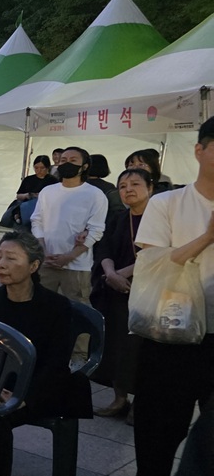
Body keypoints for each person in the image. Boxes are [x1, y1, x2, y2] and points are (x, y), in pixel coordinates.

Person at [124, 117, 214, 476]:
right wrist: (207, 237)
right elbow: (154, 262)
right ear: (200, 150)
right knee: (160, 416)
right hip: (172, 331)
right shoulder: (168, 203)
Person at [0, 231, 93, 476]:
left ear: (33, 266)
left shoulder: (55, 306)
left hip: (44, 386)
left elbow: (56, 363)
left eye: (11, 258)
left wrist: (22, 397)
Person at [90, 168, 152, 418]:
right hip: (116, 291)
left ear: (151, 188)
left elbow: (160, 253)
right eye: (123, 186)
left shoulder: (160, 218)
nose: (128, 190)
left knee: (143, 349)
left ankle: (142, 402)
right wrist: (111, 272)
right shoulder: (117, 217)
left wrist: (122, 274)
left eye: (135, 184)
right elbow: (103, 247)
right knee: (117, 345)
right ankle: (119, 399)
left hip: (148, 293)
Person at [30, 146, 107, 310]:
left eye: (73, 161)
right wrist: (44, 252)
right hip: (47, 262)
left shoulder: (95, 194)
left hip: (77, 267)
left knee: (77, 312)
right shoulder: (47, 191)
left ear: (84, 166)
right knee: (42, 308)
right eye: (63, 160)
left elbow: (96, 231)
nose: (67, 164)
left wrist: (69, 256)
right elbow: (37, 221)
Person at [8, 155, 58, 226]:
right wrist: (28, 195)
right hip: (27, 206)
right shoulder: (28, 179)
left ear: (47, 168)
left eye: (42, 168)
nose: (39, 170)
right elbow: (19, 195)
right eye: (36, 168)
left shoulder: (53, 181)